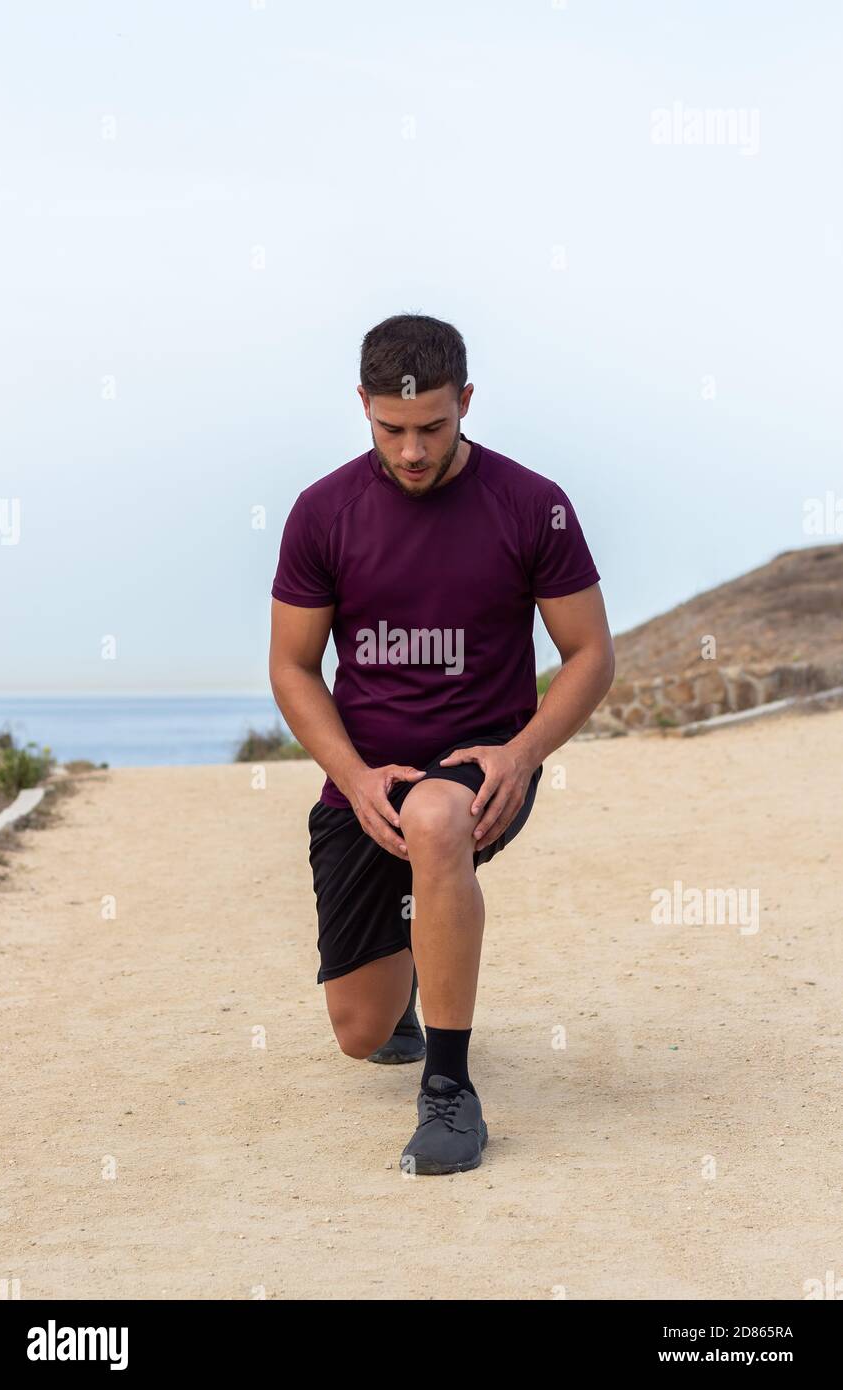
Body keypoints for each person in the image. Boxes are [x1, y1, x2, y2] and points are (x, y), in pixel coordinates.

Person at [269, 313, 614, 1175]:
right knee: (361, 1032)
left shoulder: (534, 505)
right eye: (392, 429)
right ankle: (414, 977)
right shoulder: (323, 513)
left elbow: (590, 655)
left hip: (482, 761)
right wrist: (349, 776)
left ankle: (452, 1094)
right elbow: (293, 668)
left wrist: (523, 751)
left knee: (435, 818)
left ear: (466, 401)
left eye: (432, 428)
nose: (413, 450)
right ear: (362, 406)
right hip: (366, 775)